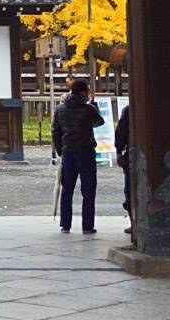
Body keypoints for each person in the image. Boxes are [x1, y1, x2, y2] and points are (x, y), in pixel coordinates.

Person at [52, 78, 105, 234]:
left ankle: (65, 225)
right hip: (86, 152)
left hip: (68, 152)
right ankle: (87, 226)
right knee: (88, 190)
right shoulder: (88, 109)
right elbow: (99, 122)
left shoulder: (60, 108)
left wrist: (60, 150)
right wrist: (94, 104)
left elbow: (55, 131)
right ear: (83, 93)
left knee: (67, 189)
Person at [113, 103, 132, 234]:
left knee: (130, 190)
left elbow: (120, 133)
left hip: (132, 154)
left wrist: (119, 151)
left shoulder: (129, 110)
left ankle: (134, 221)